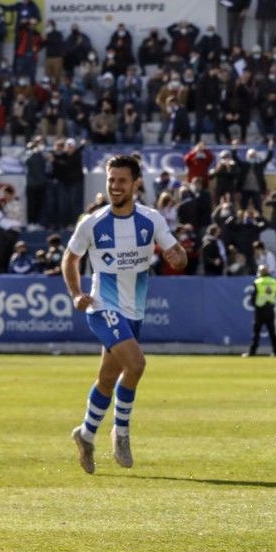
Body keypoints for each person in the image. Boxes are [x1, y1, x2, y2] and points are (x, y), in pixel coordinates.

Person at [62, 155, 187, 474]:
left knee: (107, 378)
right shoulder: (92, 222)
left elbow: (177, 254)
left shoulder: (151, 219)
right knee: (137, 364)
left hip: (134, 309)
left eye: (121, 181)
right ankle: (121, 432)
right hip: (102, 307)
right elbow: (70, 259)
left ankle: (86, 434)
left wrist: (178, 256)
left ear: (135, 184)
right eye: (111, 180)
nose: (115, 186)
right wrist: (77, 294)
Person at [245, 265, 276, 357]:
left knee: (256, 333)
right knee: (272, 332)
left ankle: (252, 352)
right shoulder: (274, 281)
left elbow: (253, 296)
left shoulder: (258, 282)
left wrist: (255, 305)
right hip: (270, 309)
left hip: (260, 310)